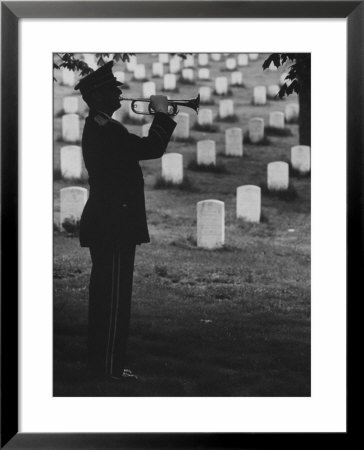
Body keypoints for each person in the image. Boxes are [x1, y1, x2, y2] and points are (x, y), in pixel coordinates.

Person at [74, 60, 176, 381]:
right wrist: (162, 113)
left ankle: (107, 365)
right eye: (113, 91)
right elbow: (152, 147)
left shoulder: (104, 127)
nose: (119, 96)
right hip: (113, 224)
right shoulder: (107, 131)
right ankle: (107, 369)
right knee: (113, 300)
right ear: (99, 96)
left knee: (110, 297)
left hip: (111, 222)